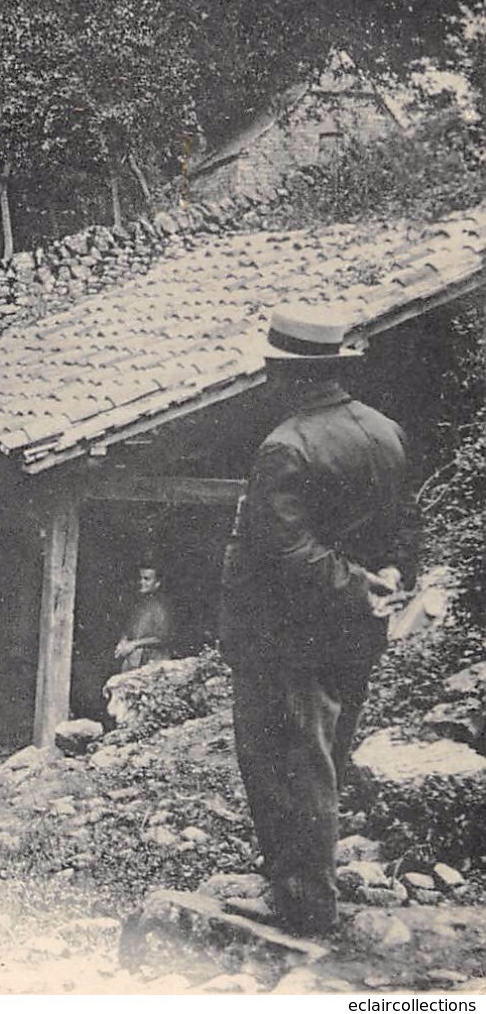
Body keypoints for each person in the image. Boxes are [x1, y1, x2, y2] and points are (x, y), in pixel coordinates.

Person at [220, 310, 420, 937]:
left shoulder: (287, 445)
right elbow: (405, 527)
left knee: (288, 760)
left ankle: (303, 903)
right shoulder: (385, 432)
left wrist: (358, 586)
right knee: (323, 753)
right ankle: (298, 881)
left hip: (287, 636)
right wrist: (385, 579)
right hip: (355, 634)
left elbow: (285, 552)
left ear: (288, 374)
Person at [114, 563, 175, 671]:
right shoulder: (138, 604)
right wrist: (123, 641)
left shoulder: (160, 606)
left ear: (157, 583)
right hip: (135, 660)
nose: (141, 582)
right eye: (140, 578)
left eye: (147, 579)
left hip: (153, 661)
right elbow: (129, 629)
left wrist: (134, 644)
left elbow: (162, 637)